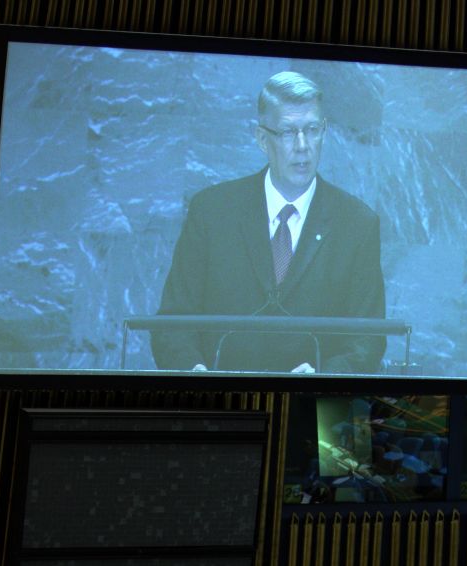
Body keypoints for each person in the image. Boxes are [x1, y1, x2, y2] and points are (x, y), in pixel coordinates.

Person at [152, 70, 386, 376]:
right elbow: (172, 323)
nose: (302, 145)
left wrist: (323, 376)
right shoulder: (212, 212)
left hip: (310, 400)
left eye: (312, 130)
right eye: (288, 132)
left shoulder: (356, 224)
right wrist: (196, 373)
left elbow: (368, 339)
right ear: (262, 139)